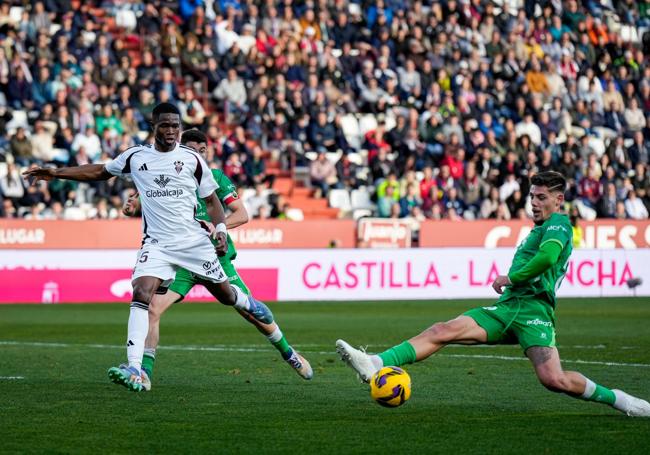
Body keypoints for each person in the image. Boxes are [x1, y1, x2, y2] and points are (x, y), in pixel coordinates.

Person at [336, 171, 650, 417]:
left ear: (558, 200)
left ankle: (622, 400)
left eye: (541, 197)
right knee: (442, 330)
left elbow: (548, 258)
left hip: (533, 313)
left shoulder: (558, 225)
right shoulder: (539, 228)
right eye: (532, 196)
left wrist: (510, 276)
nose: (534, 203)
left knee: (555, 380)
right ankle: (375, 362)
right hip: (507, 308)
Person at [23, 103, 275, 392]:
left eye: (175, 126)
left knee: (226, 295)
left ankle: (247, 302)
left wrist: (219, 230)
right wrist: (56, 173)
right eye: (165, 125)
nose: (171, 131)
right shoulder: (136, 156)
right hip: (156, 244)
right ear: (153, 125)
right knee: (141, 293)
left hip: (193, 243)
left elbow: (211, 201)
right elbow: (100, 172)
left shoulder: (192, 160)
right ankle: (134, 367)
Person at [122, 129, 312, 387]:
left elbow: (241, 214)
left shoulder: (216, 178)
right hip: (180, 259)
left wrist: (216, 228)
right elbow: (147, 204)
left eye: (202, 151)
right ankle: (144, 373)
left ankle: (289, 353)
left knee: (250, 313)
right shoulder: (165, 174)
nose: (197, 155)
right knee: (153, 309)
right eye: (192, 150)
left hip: (213, 257)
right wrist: (133, 207)